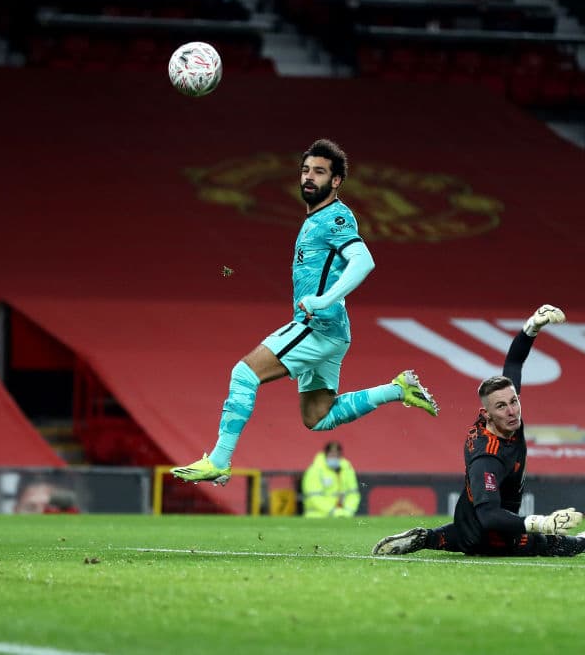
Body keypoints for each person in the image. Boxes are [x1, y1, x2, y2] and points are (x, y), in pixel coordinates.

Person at [171, 139, 438, 486]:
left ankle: (219, 461)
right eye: (306, 170)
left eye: (320, 172)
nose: (309, 178)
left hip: (318, 325)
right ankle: (398, 389)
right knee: (318, 418)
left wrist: (324, 300)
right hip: (334, 331)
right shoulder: (314, 218)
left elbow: (363, 260)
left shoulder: (335, 217)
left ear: (337, 180)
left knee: (244, 374)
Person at [372, 305, 585, 558]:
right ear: (488, 414)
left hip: (465, 524)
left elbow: (514, 362)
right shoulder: (487, 457)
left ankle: (429, 537)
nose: (512, 411)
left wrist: (531, 327)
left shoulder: (501, 415)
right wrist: (543, 523)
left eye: (514, 401)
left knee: (460, 533)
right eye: (502, 406)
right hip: (493, 534)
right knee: (558, 545)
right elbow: (490, 517)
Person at [301, 440, 360, 518]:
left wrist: (348, 511)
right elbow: (314, 497)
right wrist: (332, 511)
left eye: (337, 455)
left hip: (342, 516)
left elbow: (353, 494)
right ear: (326, 454)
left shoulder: (347, 469)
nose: (334, 457)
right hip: (317, 516)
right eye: (331, 454)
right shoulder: (315, 470)